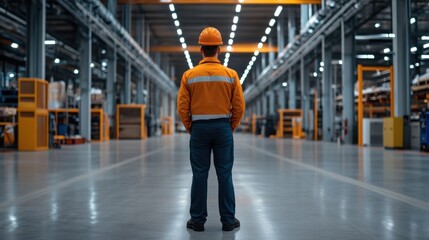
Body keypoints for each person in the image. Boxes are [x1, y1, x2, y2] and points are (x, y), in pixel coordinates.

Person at [177, 27, 245, 232]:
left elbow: (182, 107)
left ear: (200, 49)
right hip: (222, 127)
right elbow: (239, 106)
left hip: (199, 128)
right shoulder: (230, 75)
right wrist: (229, 126)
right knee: (225, 174)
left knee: (199, 174)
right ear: (219, 49)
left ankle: (197, 220)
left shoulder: (189, 75)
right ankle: (228, 220)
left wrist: (191, 127)